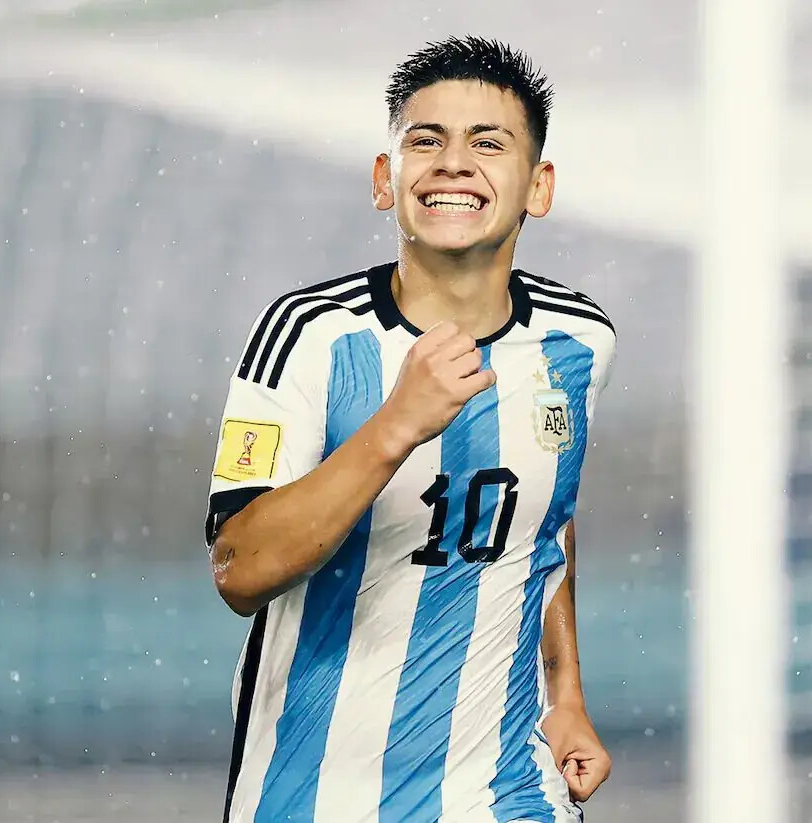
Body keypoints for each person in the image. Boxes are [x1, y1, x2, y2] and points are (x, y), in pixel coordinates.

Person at [205, 35, 617, 823]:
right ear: (383, 179)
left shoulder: (579, 340)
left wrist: (565, 692)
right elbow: (239, 567)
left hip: (506, 794)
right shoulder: (307, 336)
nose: (453, 163)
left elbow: (547, 522)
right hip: (314, 797)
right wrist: (395, 424)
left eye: (487, 144)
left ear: (538, 186)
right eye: (425, 141)